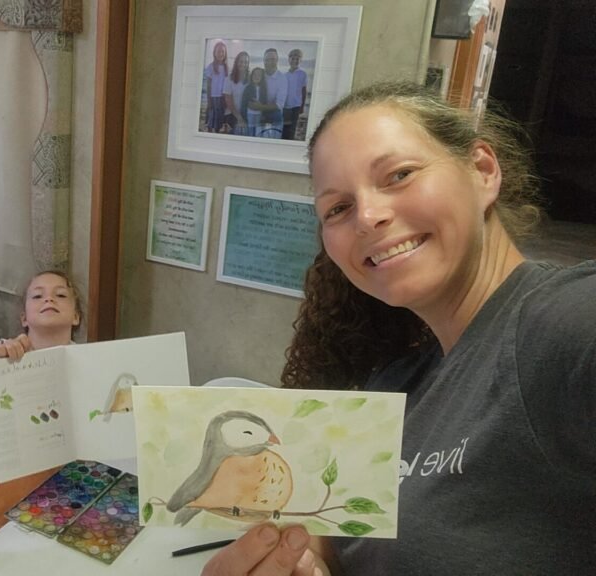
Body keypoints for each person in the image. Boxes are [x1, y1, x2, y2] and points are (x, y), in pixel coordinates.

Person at [202, 81, 595, 575]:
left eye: (399, 175)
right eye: (338, 208)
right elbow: (347, 543)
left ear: (482, 171)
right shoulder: (397, 382)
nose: (367, 216)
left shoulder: (563, 324)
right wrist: (301, 563)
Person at [0, 270, 82, 362]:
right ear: (24, 318)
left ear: (76, 316)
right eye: (37, 296)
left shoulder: (88, 358)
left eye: (61, 295)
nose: (49, 299)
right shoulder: (7, 349)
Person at [257, 48, 288, 138]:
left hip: (274, 112)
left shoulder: (282, 78)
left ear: (277, 60)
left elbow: (279, 105)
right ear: (263, 61)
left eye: (273, 59)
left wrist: (260, 107)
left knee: (277, 115)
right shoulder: (258, 74)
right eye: (267, 60)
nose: (270, 62)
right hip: (259, 111)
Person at [203, 42, 229, 134]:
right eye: (218, 51)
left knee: (221, 115)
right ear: (214, 53)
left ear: (225, 53)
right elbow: (208, 85)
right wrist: (209, 99)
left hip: (223, 96)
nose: (220, 54)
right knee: (212, 115)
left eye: (222, 51)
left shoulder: (227, 67)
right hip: (213, 96)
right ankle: (210, 130)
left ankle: (218, 131)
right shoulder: (211, 67)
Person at [282, 49, 308, 140]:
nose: (295, 61)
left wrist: (302, 106)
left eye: (297, 59)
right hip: (285, 105)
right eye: (293, 58)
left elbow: (304, 90)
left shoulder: (302, 74)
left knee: (292, 128)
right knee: (285, 126)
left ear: (300, 60)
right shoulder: (285, 75)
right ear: (289, 60)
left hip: (296, 105)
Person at [222, 51, 250, 135]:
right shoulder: (229, 79)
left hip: (246, 114)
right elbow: (228, 101)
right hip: (232, 114)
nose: (243, 64)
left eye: (245, 62)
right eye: (241, 61)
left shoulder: (250, 79)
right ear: (237, 62)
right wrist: (239, 117)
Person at [241, 67, 268, 138]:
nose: (256, 77)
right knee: (250, 132)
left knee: (258, 133)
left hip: (259, 114)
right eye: (255, 75)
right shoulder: (248, 88)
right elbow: (243, 103)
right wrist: (243, 116)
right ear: (251, 76)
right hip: (250, 114)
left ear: (262, 77)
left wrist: (263, 113)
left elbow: (265, 102)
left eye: (259, 75)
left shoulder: (263, 89)